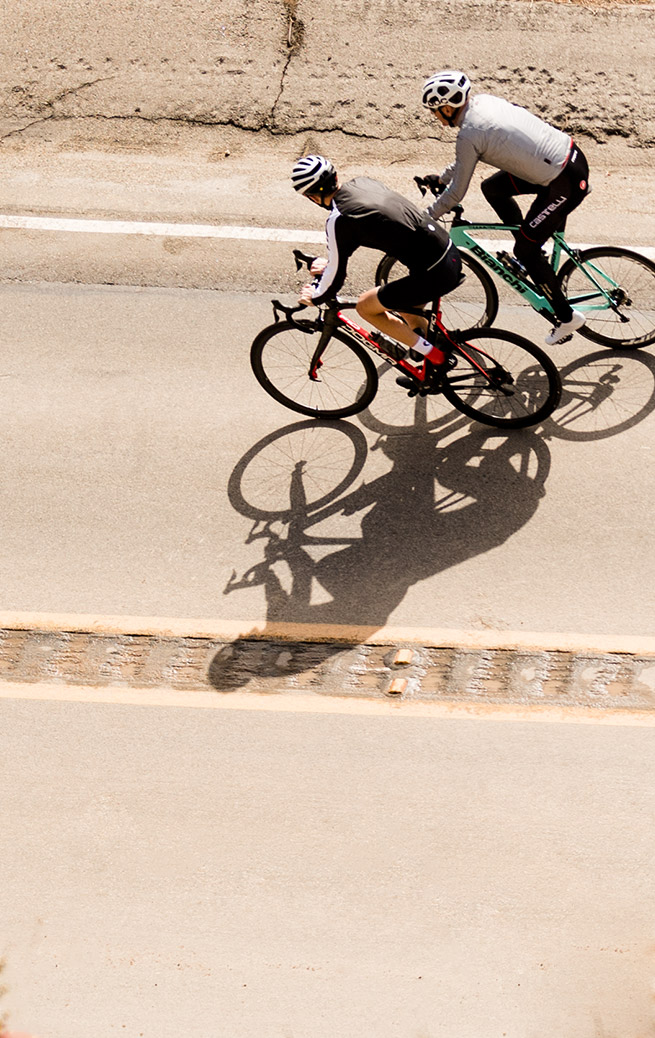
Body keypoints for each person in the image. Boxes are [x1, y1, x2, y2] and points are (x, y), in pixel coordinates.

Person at [420, 70, 590, 346]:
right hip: (568, 157)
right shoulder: (484, 103)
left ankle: (566, 317)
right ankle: (530, 250)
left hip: (564, 182)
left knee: (525, 249)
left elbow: (457, 193)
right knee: (493, 189)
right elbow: (464, 162)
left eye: (435, 111)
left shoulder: (469, 134)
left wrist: (426, 217)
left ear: (448, 108)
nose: (435, 117)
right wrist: (441, 178)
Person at [290, 154, 463, 368]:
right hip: (449, 253)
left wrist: (316, 297)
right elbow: (371, 229)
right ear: (335, 176)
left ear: (313, 197)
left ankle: (436, 357)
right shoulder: (362, 182)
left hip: (435, 274)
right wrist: (329, 265)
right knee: (400, 303)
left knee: (366, 306)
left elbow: (337, 275)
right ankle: (429, 344)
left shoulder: (339, 218)